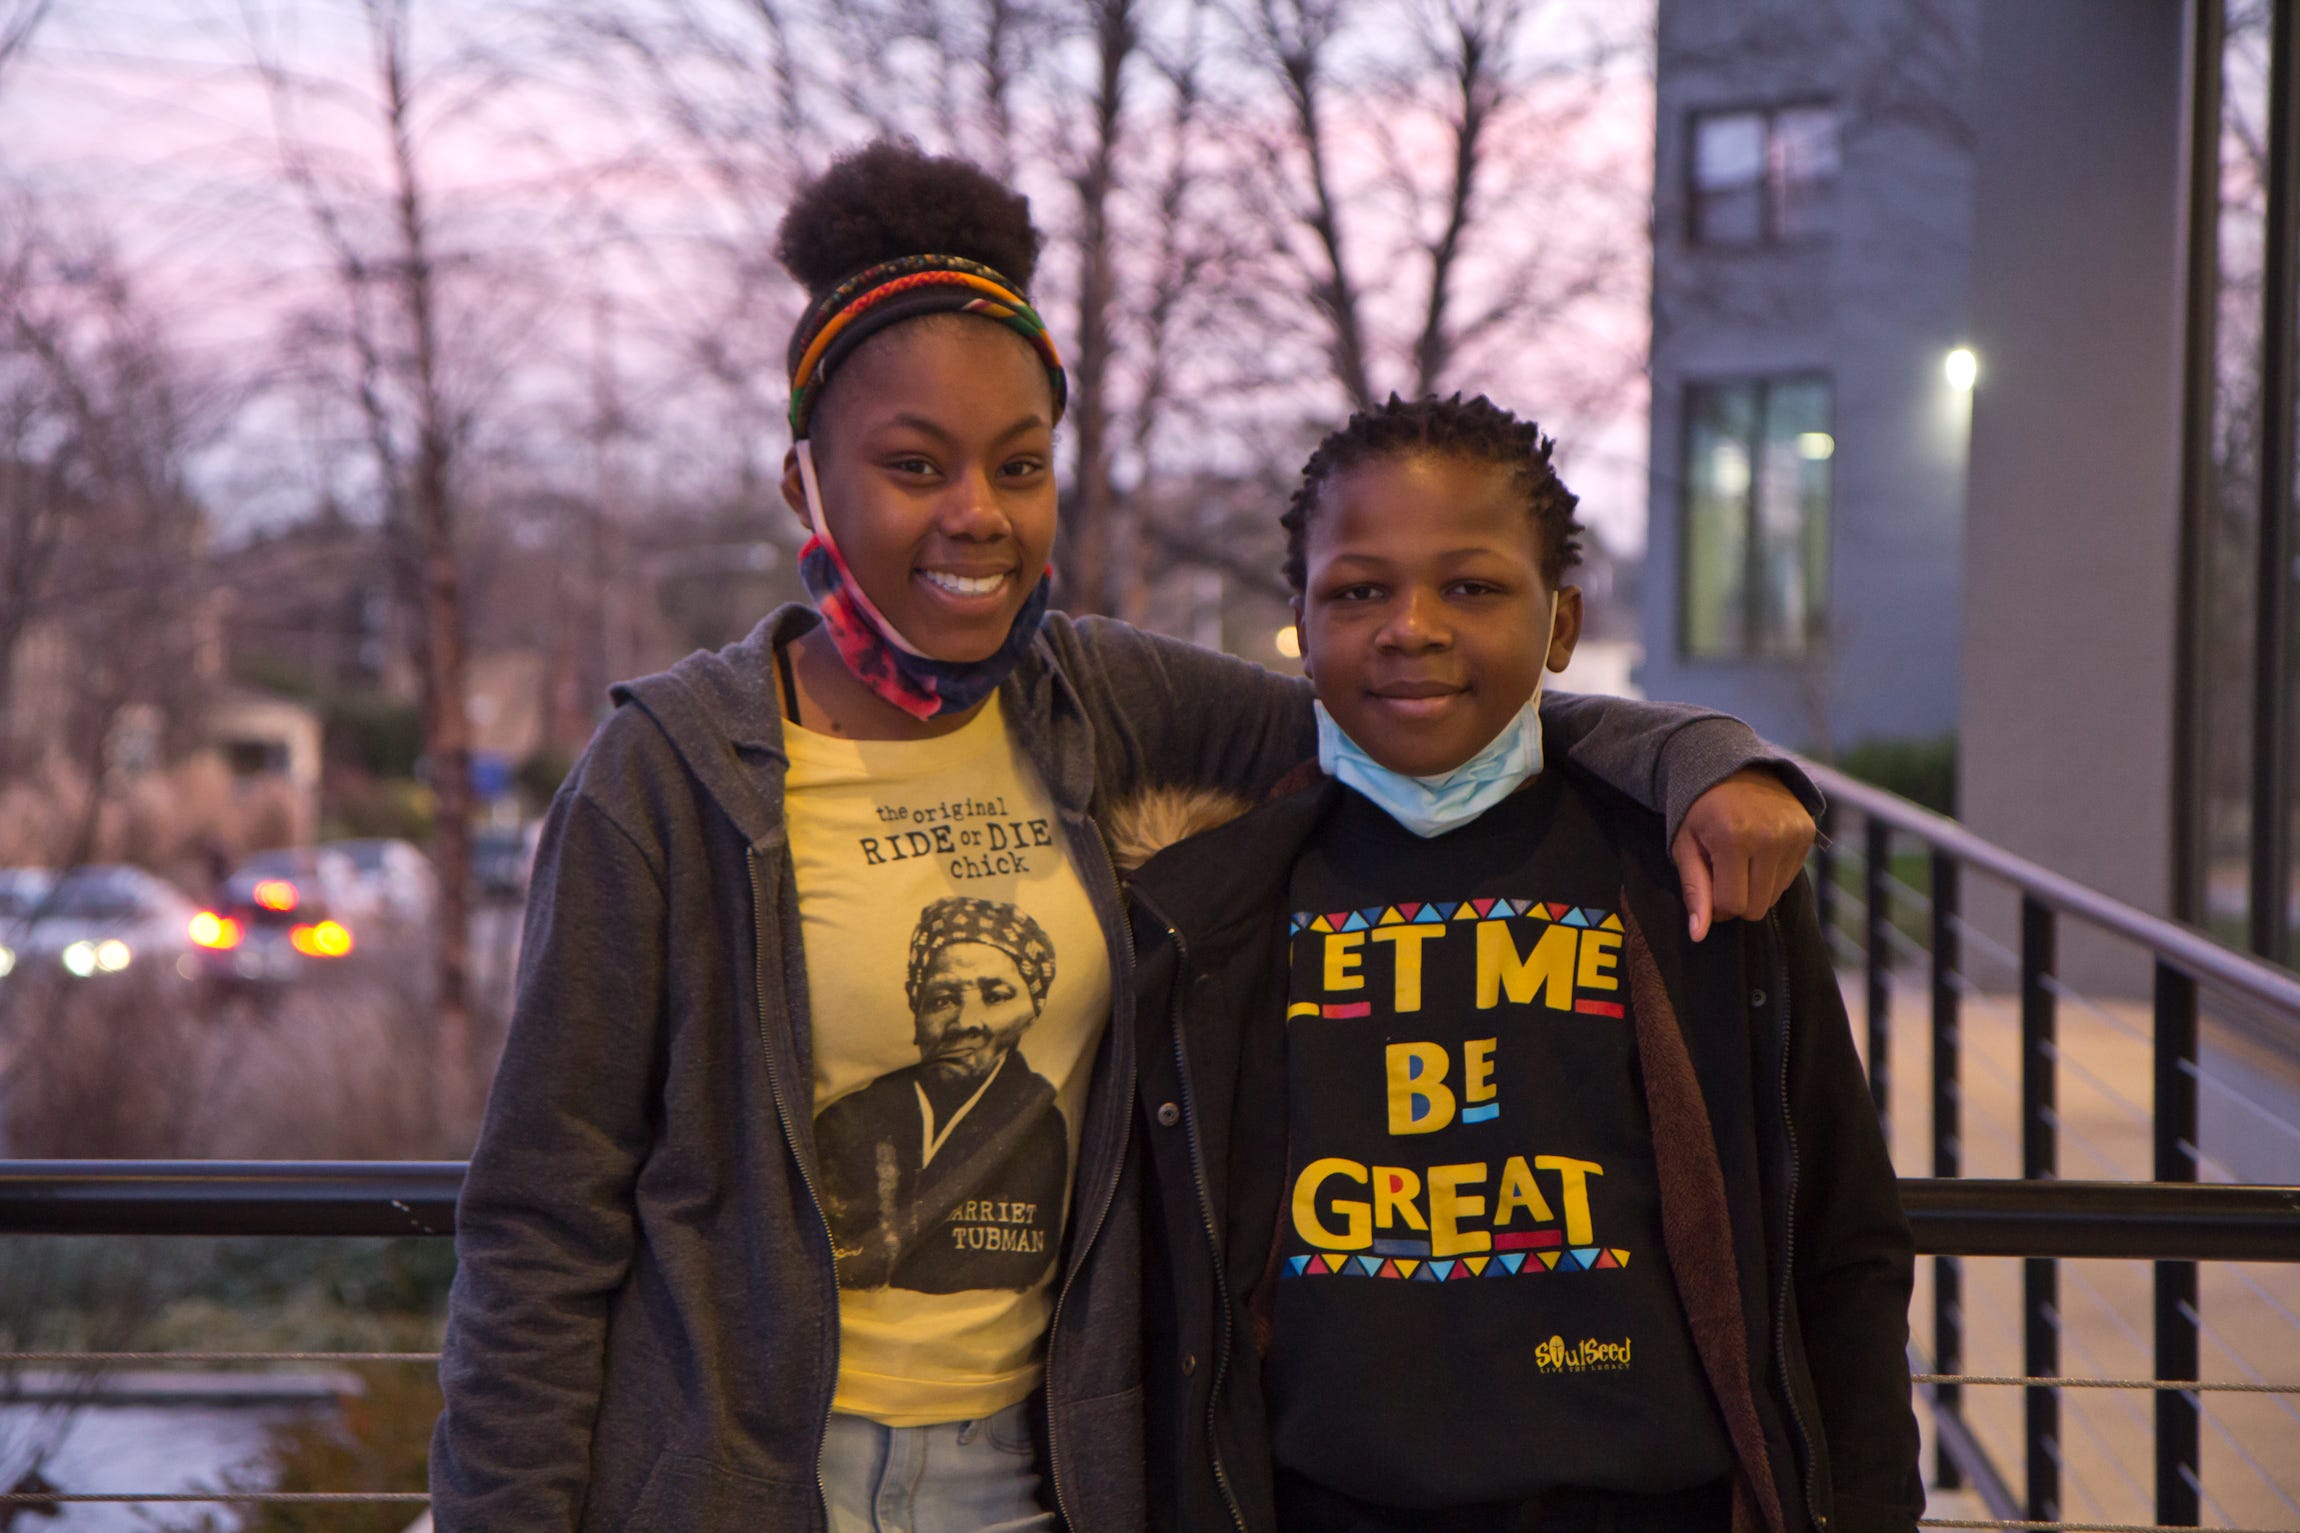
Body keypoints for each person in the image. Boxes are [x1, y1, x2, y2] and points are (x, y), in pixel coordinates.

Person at [428, 142, 1826, 1533]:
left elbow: (1414, 702)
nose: (975, 513)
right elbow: (544, 1223)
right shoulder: (667, 776)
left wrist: (1701, 759)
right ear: (805, 484)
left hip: (1032, 1487)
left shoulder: (1093, 700)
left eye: (1018, 463)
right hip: (731, 1488)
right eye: (913, 465)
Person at [1120, 395, 1921, 1533]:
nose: (1412, 627)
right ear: (1296, 621)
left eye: (1470, 586)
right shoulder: (1213, 914)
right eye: (1356, 591)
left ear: (1558, 625)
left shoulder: (1687, 875)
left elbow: (1842, 1241)